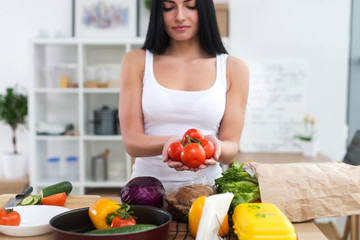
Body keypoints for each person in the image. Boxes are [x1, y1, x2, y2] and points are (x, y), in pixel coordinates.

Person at [118, 0, 249, 192]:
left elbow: (231, 148)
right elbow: (131, 141)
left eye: (191, 6)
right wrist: (172, 143)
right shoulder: (136, 62)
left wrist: (215, 146)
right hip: (146, 194)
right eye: (169, 7)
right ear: (158, 13)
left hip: (208, 192)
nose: (179, 16)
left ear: (204, 10)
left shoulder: (234, 68)